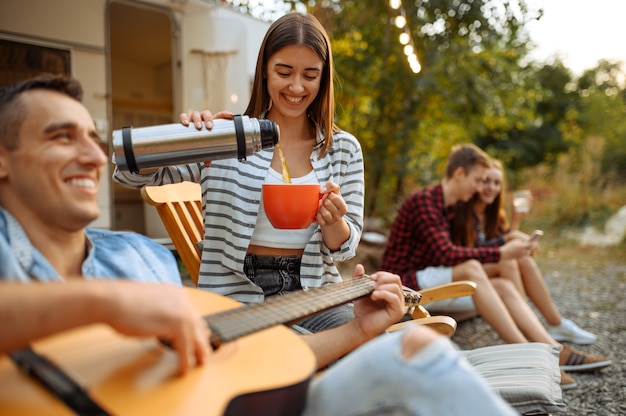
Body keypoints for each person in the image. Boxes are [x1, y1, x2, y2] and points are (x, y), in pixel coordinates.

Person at [0, 74, 519, 415]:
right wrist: (108, 302)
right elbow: (133, 172)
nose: (92, 155)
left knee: (414, 347)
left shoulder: (142, 257)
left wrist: (360, 329)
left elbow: (232, 361)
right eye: (61, 137)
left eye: (93, 138)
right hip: (240, 304)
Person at [113, 12, 363, 332]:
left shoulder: (343, 149)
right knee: (300, 347)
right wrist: (185, 139)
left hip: (313, 293)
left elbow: (345, 248)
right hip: (236, 297)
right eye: (284, 72)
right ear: (263, 72)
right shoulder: (226, 137)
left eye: (310, 75)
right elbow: (132, 175)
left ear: (323, 78)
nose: (297, 86)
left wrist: (334, 222)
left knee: (369, 335)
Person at [381, 144, 611, 389]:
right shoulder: (423, 201)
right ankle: (529, 354)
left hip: (431, 280)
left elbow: (456, 253)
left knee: (501, 284)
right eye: (478, 180)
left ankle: (551, 349)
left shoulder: (449, 207)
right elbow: (447, 254)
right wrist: (501, 251)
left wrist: (507, 242)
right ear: (460, 174)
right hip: (405, 286)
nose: (480, 188)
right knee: (471, 267)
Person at [450, 158, 597, 344]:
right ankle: (530, 327)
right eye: (486, 181)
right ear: (476, 182)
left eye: (496, 183)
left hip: (483, 269)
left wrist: (516, 221)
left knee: (522, 258)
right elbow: (480, 252)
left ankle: (555, 323)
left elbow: (501, 242)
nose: (491, 188)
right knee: (508, 260)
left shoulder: (492, 213)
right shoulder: (464, 212)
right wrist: (512, 237)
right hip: (467, 271)